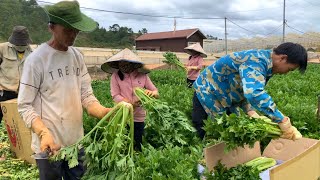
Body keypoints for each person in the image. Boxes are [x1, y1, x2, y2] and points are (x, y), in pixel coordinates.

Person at [17, 1, 112, 179]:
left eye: (76, 29)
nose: (73, 34)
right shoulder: (36, 60)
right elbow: (24, 105)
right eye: (68, 29)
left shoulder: (77, 57)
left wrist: (104, 112)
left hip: (77, 143)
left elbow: (87, 96)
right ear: (51, 27)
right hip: (49, 146)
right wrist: (44, 133)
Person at [192, 42, 307, 140]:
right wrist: (282, 119)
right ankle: (202, 159)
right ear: (283, 58)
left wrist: (250, 110)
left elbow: (242, 87)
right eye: (290, 69)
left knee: (233, 129)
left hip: (226, 94)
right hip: (208, 90)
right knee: (209, 129)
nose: (286, 73)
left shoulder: (268, 64)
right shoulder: (256, 61)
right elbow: (253, 93)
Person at [101, 48, 159, 151]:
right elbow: (115, 95)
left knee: (137, 140)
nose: (123, 67)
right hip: (123, 114)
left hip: (139, 115)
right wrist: (130, 103)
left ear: (133, 64)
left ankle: (137, 159)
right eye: (121, 65)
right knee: (124, 141)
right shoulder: (115, 76)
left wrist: (152, 93)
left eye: (127, 64)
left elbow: (155, 91)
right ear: (117, 65)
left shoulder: (143, 76)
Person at [0, 26, 32, 124]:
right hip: (4, 92)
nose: (20, 46)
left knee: (19, 123)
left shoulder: (32, 53)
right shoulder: (2, 49)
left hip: (22, 95)